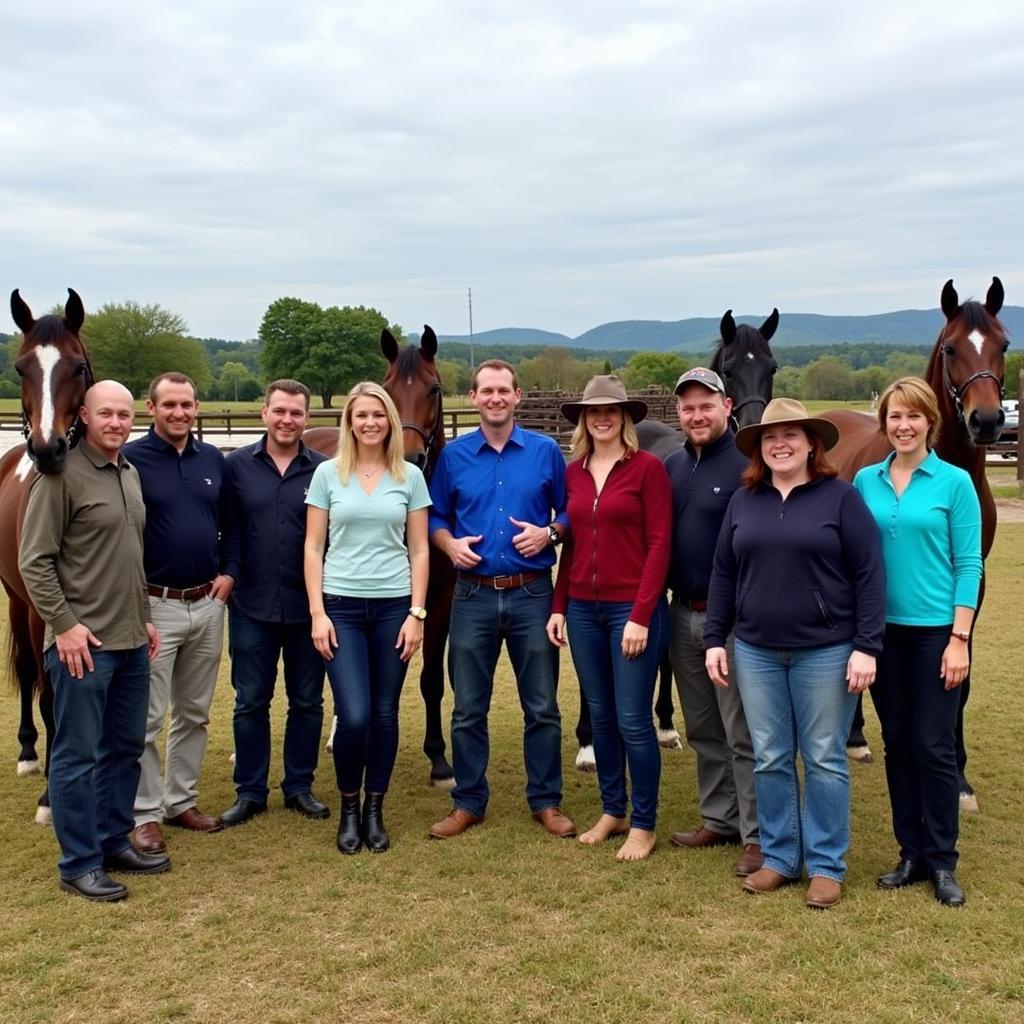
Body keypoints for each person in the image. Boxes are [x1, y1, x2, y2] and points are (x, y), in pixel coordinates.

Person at [704, 398, 885, 910]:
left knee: (825, 757)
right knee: (770, 755)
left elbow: (870, 574)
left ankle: (827, 864)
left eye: (790, 435)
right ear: (760, 448)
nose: (780, 444)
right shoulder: (745, 500)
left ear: (812, 443)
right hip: (756, 649)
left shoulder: (841, 499)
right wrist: (716, 638)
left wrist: (866, 646)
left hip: (826, 651)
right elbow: (723, 572)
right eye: (769, 437)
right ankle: (780, 857)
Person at [19, 380, 164, 901]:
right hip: (83, 645)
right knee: (77, 754)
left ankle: (111, 840)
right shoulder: (58, 477)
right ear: (84, 414)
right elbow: (33, 561)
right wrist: (64, 625)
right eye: (106, 414)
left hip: (129, 639)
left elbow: (131, 556)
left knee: (124, 747)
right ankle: (78, 862)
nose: (117, 423)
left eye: (125, 415)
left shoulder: (128, 473)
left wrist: (145, 617)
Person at [427, 359, 575, 840]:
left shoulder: (546, 451)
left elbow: (572, 511)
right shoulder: (454, 457)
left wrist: (550, 531)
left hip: (532, 592)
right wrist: (448, 544)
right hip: (472, 595)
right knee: (469, 707)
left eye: (503, 390)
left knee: (542, 706)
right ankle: (468, 800)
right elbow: (434, 517)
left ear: (517, 396)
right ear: (472, 397)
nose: (495, 398)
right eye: (485, 390)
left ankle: (546, 801)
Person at [853, 377, 981, 907]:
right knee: (898, 744)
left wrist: (960, 638)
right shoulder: (866, 481)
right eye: (893, 418)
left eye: (913, 417)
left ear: (931, 421)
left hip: (936, 635)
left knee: (934, 746)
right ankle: (910, 852)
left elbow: (969, 564)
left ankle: (943, 861)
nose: (903, 427)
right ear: (884, 424)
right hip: (883, 635)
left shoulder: (954, 483)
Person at [546, 375, 670, 861]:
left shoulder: (647, 470)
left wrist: (641, 614)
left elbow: (660, 545)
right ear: (582, 419)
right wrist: (559, 607)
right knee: (600, 716)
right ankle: (612, 809)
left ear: (624, 418)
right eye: (592, 411)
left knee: (634, 719)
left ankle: (644, 822)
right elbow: (570, 545)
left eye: (610, 411)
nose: (601, 418)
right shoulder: (572, 473)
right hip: (582, 610)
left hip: (630, 611)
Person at [304, 382, 431, 854]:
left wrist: (416, 613)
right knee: (354, 714)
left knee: (384, 712)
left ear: (390, 421)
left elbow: (419, 549)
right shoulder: (328, 475)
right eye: (361, 415)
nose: (370, 423)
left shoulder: (409, 477)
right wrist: (317, 612)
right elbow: (314, 546)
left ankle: (375, 809)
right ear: (349, 421)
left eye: (378, 415)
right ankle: (349, 807)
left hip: (395, 607)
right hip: (341, 608)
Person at [123, 372, 233, 855]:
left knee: (194, 712)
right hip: (155, 605)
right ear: (151, 409)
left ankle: (180, 800)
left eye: (186, 404)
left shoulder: (213, 459)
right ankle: (144, 813)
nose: (179, 413)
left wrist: (229, 573)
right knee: (147, 717)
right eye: (169, 405)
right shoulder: (131, 461)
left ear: (196, 407)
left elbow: (230, 521)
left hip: (208, 603)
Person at [663, 368, 761, 877]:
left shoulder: (750, 465)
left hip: (737, 622)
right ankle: (718, 818)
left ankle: (757, 833)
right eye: (687, 407)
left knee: (743, 731)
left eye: (706, 405)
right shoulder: (673, 466)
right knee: (703, 727)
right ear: (677, 413)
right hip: (683, 613)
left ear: (727, 406)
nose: (697, 415)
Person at [219, 380, 329, 827]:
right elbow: (227, 529)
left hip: (308, 608)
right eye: (279, 411)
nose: (288, 420)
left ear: (307, 418)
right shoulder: (236, 467)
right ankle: (250, 791)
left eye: (296, 413)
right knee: (250, 701)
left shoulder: (323, 470)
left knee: (307, 701)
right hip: (251, 604)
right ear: (264, 413)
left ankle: (299, 786)